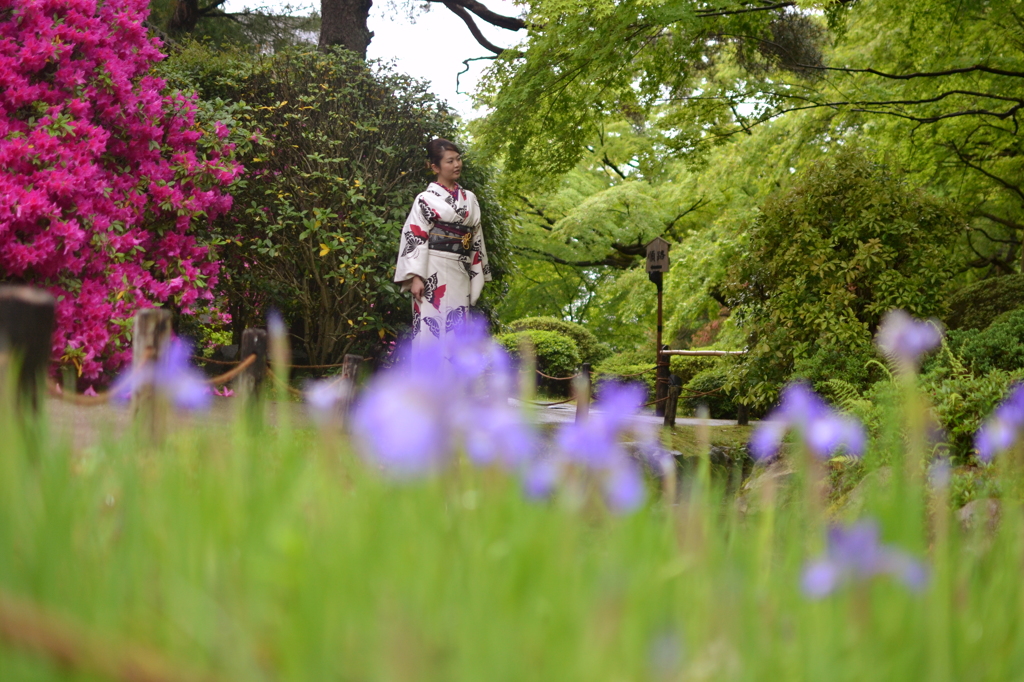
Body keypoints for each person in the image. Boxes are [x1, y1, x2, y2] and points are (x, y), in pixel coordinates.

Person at [394, 138, 491, 346]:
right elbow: (415, 236)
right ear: (435, 167)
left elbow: (476, 238)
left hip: (460, 270)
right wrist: (416, 276)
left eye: (458, 159)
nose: (457, 165)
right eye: (450, 161)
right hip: (432, 271)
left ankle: (455, 379)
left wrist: (476, 273)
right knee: (430, 330)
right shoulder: (425, 199)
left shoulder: (470, 199)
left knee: (457, 332)